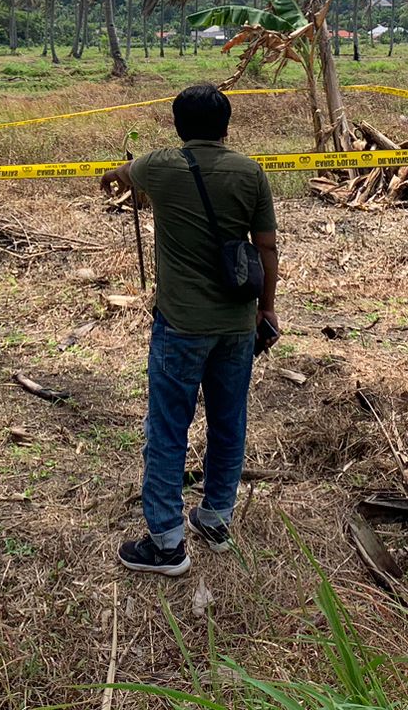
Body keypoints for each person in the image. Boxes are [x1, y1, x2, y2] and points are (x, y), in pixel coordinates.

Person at [99, 83, 280, 576]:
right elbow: (266, 249)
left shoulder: (158, 165)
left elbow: (121, 174)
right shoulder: (251, 172)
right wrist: (266, 310)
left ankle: (166, 545)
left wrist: (110, 177)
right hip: (239, 326)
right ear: (226, 126)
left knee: (167, 429)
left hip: (180, 326)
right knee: (229, 423)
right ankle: (216, 517)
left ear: (178, 126)